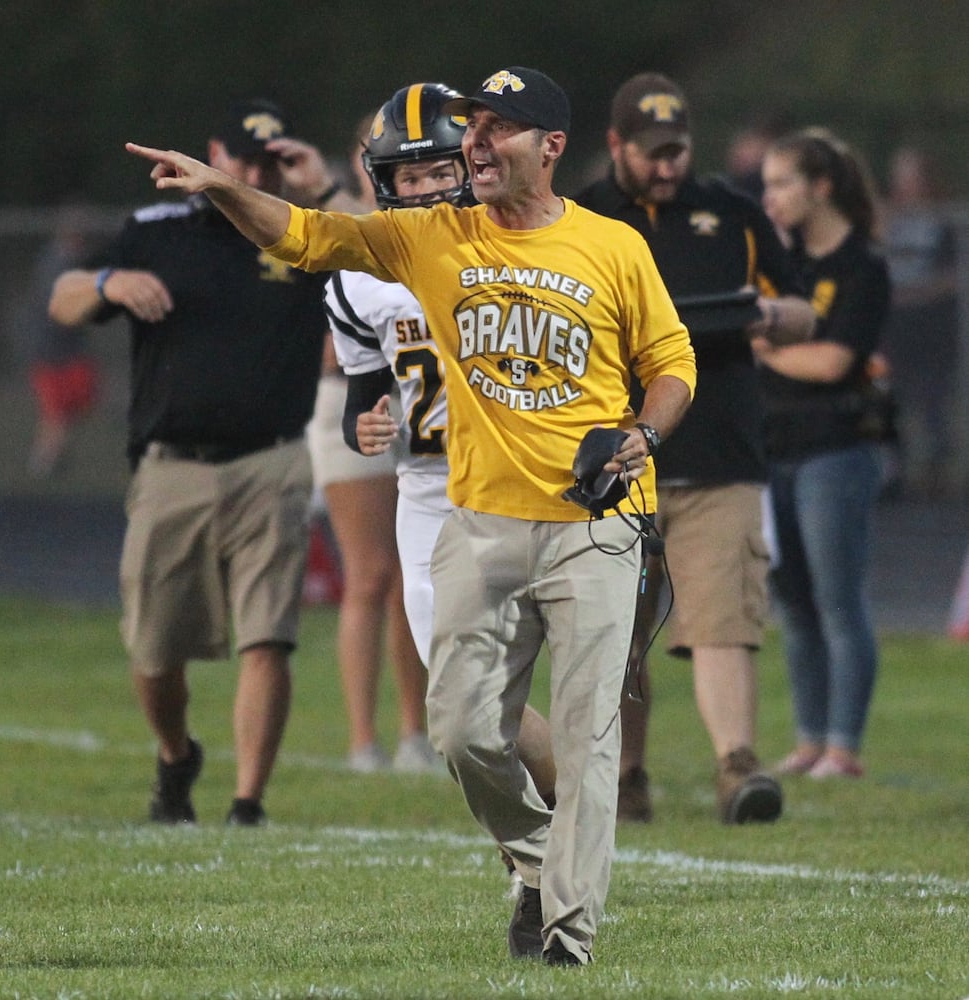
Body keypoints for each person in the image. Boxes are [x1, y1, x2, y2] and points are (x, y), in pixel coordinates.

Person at [126, 64, 697, 967]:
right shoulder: (426, 238)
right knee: (463, 729)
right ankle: (541, 860)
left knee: (589, 735)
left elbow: (671, 360)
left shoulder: (611, 244)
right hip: (467, 507)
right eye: (469, 129)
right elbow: (307, 236)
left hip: (597, 511)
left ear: (548, 147)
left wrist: (639, 436)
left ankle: (568, 935)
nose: (473, 145)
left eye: (494, 129)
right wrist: (224, 187)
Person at [48, 98, 341, 826]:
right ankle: (177, 754)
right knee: (153, 647)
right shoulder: (157, 231)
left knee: (268, 636)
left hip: (271, 462)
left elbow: (385, 249)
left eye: (268, 162)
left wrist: (322, 188)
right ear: (215, 153)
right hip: (172, 463)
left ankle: (247, 803)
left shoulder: (301, 238)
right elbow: (64, 297)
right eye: (242, 158)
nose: (252, 172)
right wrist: (110, 285)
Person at [576, 72, 816, 824]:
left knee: (722, 617)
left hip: (719, 448)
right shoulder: (581, 218)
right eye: (651, 153)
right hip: (617, 454)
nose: (667, 165)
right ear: (615, 145)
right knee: (616, 630)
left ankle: (736, 767)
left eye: (676, 150)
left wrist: (771, 315)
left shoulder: (732, 212)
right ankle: (623, 778)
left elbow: (805, 307)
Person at [329, 81, 557, 809]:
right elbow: (367, 395)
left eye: (437, 172)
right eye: (409, 176)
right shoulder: (362, 275)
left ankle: (579, 816)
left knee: (589, 665)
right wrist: (363, 425)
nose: (425, 190)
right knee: (461, 688)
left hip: (528, 481)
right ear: (383, 181)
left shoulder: (522, 243)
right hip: (429, 493)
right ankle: (565, 815)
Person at [305, 111, 439, 775]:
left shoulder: (450, 224)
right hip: (358, 396)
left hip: (432, 404)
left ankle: (418, 729)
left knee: (414, 577)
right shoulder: (346, 228)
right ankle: (364, 738)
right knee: (370, 573)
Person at [756, 127, 891, 778]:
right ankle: (810, 739)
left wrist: (765, 348)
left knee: (838, 601)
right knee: (794, 602)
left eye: (782, 182)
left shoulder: (860, 265)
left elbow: (833, 360)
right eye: (766, 185)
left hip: (835, 451)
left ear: (821, 188)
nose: (770, 197)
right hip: (774, 447)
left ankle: (843, 746)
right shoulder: (781, 264)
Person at [880, 145, 959, 497]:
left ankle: (936, 474)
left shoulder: (942, 221)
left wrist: (913, 294)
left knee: (932, 406)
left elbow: (951, 276)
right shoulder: (889, 219)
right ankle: (895, 473)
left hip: (931, 328)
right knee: (890, 401)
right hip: (896, 329)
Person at [22, 204, 103, 477]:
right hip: (51, 350)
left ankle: (50, 459)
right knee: (56, 413)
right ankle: (43, 463)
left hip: (69, 350)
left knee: (75, 403)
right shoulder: (54, 263)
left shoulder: (77, 259)